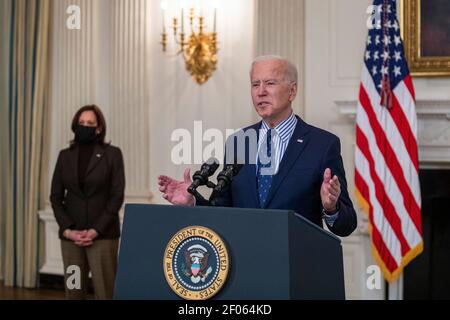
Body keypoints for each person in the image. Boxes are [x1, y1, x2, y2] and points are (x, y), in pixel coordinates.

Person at [158, 55, 357, 237]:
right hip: (244, 262)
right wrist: (193, 201)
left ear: (292, 90)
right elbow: (223, 209)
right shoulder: (239, 142)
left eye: (270, 83)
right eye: (255, 84)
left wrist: (331, 208)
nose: (261, 92)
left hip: (296, 265)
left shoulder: (322, 145)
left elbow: (347, 225)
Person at [50, 105, 125, 299]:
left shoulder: (112, 154)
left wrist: (95, 230)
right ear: (75, 126)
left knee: (105, 293)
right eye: (81, 123)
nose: (85, 126)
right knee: (73, 291)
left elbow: (116, 196)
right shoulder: (64, 156)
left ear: (99, 128)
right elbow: (56, 197)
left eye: (90, 123)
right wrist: (68, 230)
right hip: (71, 240)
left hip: (103, 237)